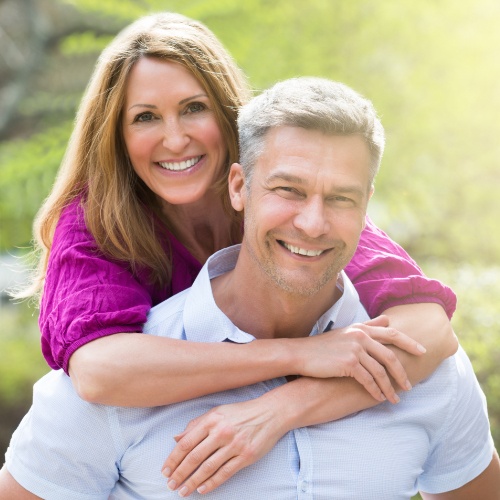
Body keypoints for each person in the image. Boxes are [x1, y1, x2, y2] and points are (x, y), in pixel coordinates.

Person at [12, 10, 458, 486]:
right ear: (117, 138)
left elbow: (429, 330)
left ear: (228, 115)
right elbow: (100, 371)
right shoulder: (97, 223)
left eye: (193, 108)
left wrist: (281, 409)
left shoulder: (292, 198)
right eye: (145, 117)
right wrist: (299, 354)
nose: (175, 138)